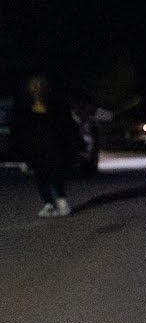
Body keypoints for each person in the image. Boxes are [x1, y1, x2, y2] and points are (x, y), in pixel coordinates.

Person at [16, 74, 77, 217]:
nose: (36, 89)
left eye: (38, 86)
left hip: (49, 147)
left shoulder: (53, 107)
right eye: (34, 87)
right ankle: (51, 204)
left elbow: (66, 127)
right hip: (40, 148)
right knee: (43, 174)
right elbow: (23, 132)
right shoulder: (29, 108)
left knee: (50, 174)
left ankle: (59, 202)